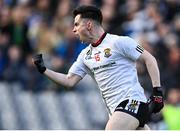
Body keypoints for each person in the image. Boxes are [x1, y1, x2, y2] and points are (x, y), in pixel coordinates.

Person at [32, 5, 164, 130]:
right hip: (117, 112)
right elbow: (69, 81)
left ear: (88, 25)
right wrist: (44, 70)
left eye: (76, 24)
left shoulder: (119, 42)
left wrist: (157, 92)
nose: (74, 29)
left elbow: (150, 59)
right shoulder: (84, 56)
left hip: (132, 102)